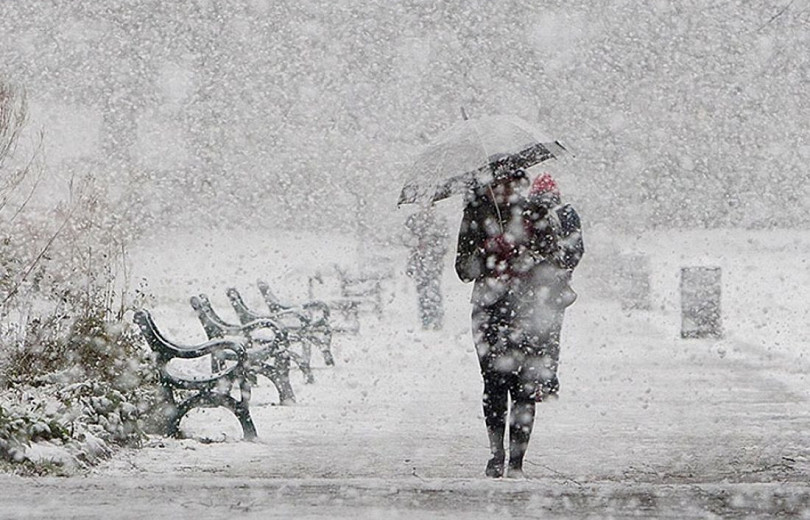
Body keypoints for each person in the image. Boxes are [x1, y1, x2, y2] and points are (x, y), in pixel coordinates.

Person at [454, 168, 583, 479]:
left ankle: (517, 462)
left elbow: (557, 261)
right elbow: (463, 269)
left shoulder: (535, 213)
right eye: (498, 183)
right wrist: (488, 250)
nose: (505, 188)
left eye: (511, 182)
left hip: (528, 310)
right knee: (494, 385)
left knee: (524, 386)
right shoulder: (476, 215)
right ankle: (496, 454)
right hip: (489, 309)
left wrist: (526, 256)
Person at [404, 207, 449, 330]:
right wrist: (417, 243)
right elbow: (405, 239)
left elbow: (445, 243)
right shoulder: (413, 220)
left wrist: (432, 245)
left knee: (434, 288)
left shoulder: (439, 222)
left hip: (434, 262)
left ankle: (436, 318)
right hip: (419, 262)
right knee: (422, 289)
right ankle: (425, 318)